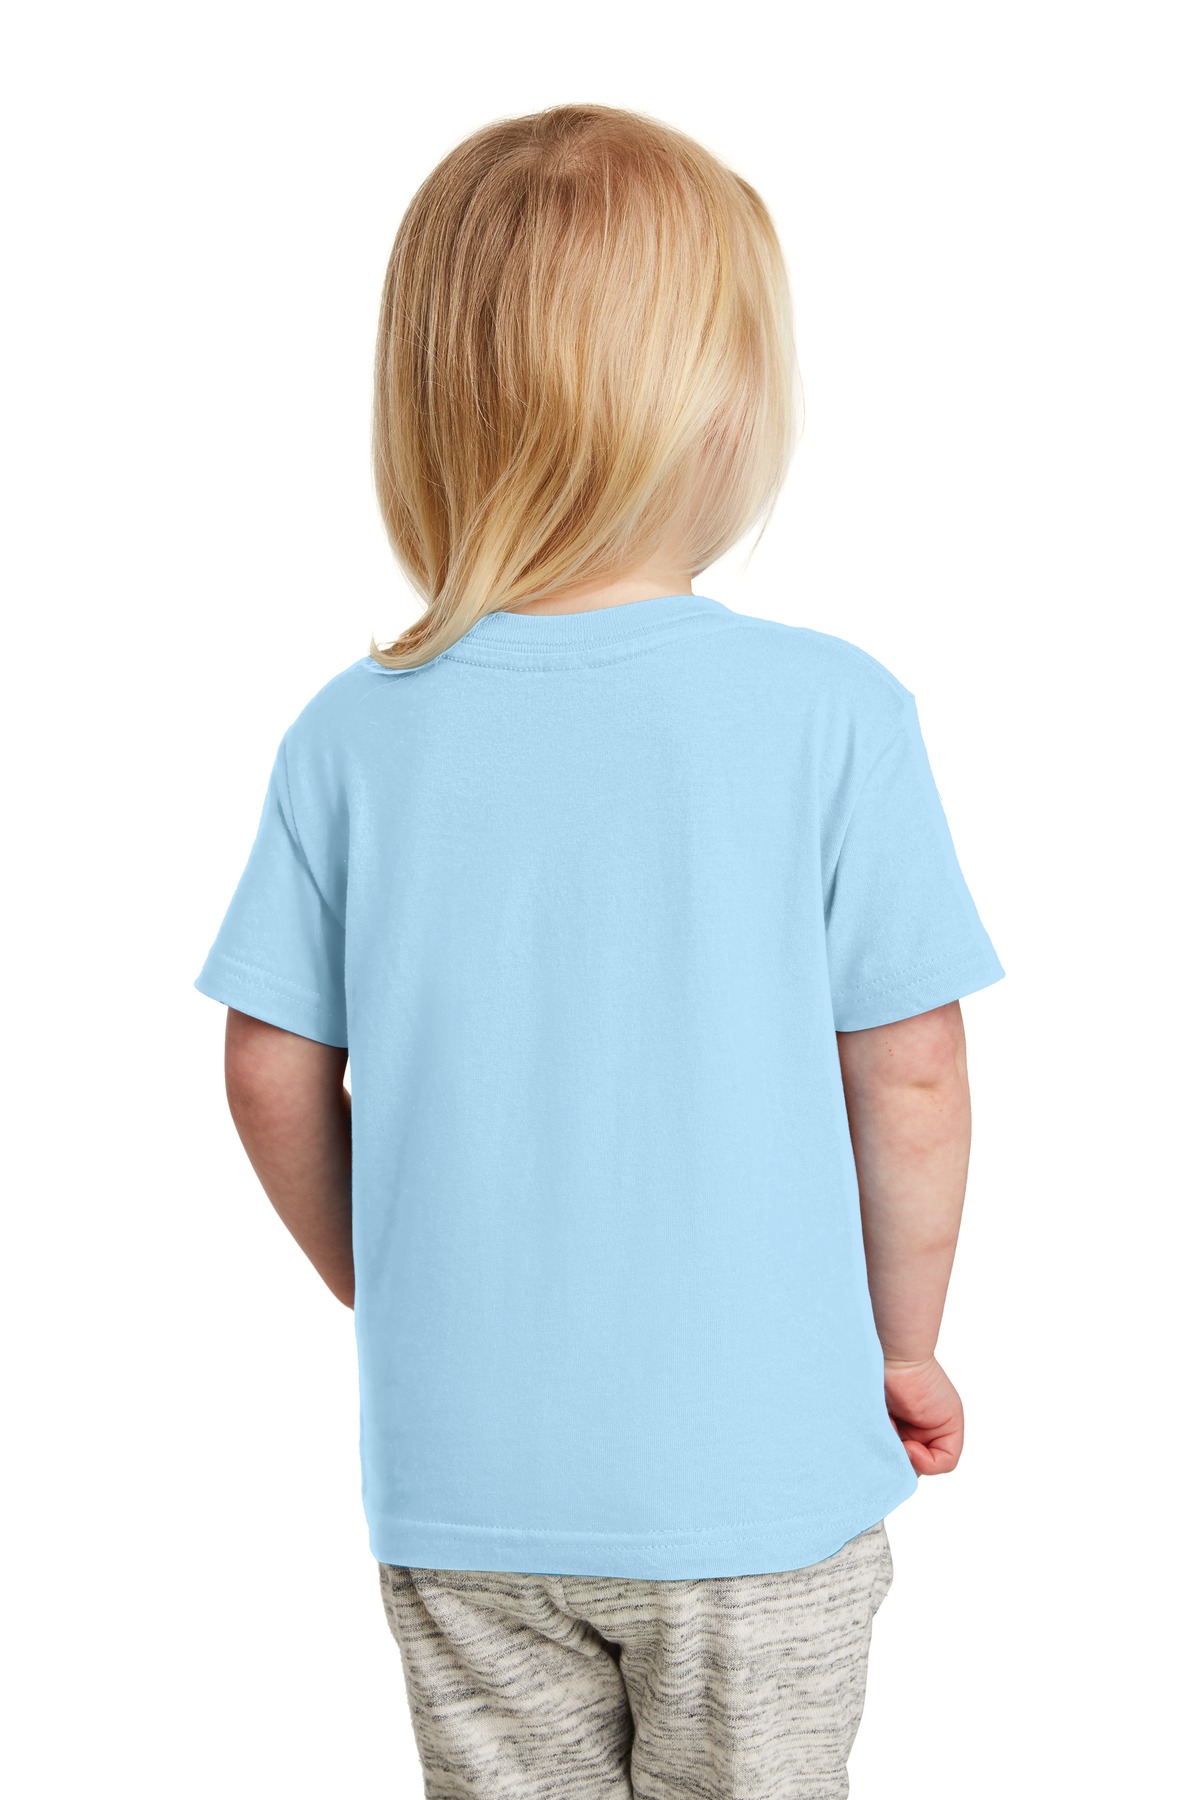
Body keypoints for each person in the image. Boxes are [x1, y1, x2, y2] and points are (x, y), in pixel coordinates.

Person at [195, 103, 1004, 1799]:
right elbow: (915, 1070)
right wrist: (903, 1344)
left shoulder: (353, 734)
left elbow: (270, 1066)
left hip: (464, 1478)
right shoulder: (831, 714)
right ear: (727, 407)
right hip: (757, 1475)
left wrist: (386, 1278)